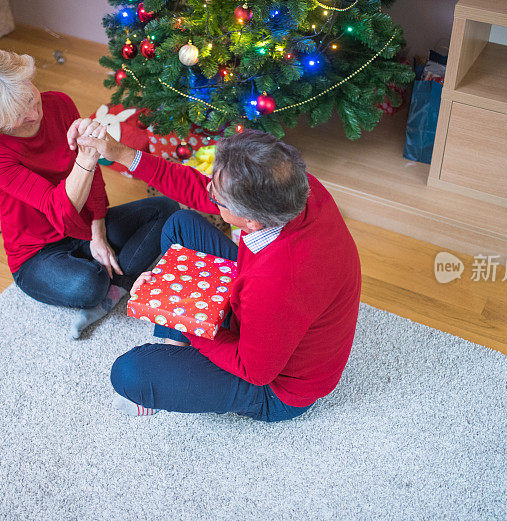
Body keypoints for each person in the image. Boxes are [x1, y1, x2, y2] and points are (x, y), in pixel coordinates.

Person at [74, 127, 362, 422]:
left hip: (278, 390)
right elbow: (196, 189)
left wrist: (177, 312)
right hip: (265, 307)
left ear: (250, 221)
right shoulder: (296, 187)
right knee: (180, 225)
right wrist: (122, 153)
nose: (208, 191)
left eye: (218, 197)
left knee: (129, 373)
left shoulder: (275, 282)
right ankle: (177, 353)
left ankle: (177, 360)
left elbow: (255, 371)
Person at [0, 48, 179, 338]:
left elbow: (94, 179)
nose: (34, 114)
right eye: (17, 115)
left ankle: (117, 289)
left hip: (84, 227)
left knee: (166, 209)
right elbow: (58, 209)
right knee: (89, 285)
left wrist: (97, 231)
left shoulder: (58, 104)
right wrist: (86, 158)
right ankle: (110, 282)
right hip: (37, 251)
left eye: (31, 97)